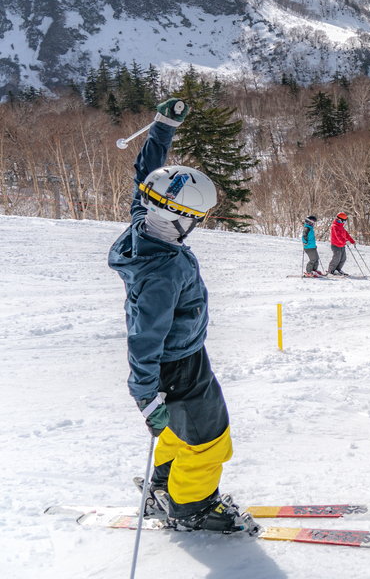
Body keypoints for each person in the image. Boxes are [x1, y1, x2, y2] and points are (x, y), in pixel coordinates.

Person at [108, 98, 253, 534]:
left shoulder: (144, 222)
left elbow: (146, 179)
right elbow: (143, 337)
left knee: (178, 427)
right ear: (181, 217)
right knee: (211, 437)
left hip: (184, 355)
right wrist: (146, 395)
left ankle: (164, 488)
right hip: (179, 362)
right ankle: (194, 508)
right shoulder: (163, 271)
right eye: (196, 217)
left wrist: (163, 128)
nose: (198, 224)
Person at [328, 212, 355, 276]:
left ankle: (337, 269)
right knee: (336, 258)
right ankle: (331, 270)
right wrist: (345, 242)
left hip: (342, 245)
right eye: (344, 220)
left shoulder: (341, 227)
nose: (345, 222)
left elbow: (346, 235)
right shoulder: (334, 226)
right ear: (340, 220)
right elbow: (338, 237)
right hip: (335, 245)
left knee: (343, 258)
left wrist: (352, 241)